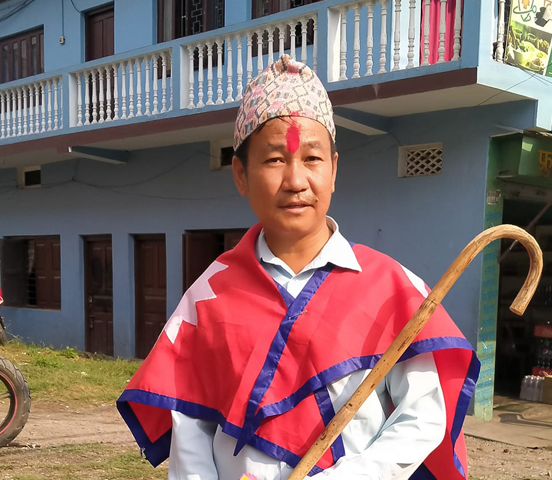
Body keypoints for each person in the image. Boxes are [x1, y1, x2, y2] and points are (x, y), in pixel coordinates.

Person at [117, 55, 478, 480]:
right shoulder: (208, 297)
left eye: (312, 159)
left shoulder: (392, 289)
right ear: (240, 174)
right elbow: (190, 427)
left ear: (334, 170)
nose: (295, 181)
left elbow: (423, 417)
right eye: (274, 160)